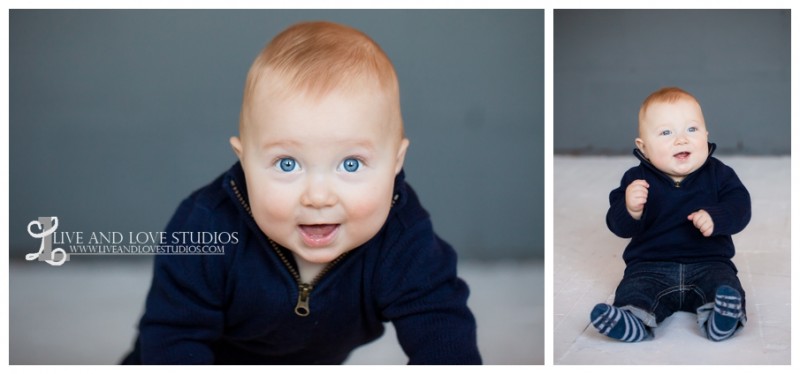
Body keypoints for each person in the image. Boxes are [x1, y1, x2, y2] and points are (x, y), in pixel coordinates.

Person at [122, 21, 481, 364]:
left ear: (396, 163)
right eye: (287, 164)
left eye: (351, 164)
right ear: (245, 161)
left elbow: (441, 324)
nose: (318, 196)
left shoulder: (401, 239)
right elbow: (174, 335)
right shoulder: (204, 226)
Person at [591, 87, 751, 342]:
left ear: (706, 134)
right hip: (649, 266)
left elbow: (741, 207)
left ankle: (720, 320)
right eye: (666, 132)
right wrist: (630, 209)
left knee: (724, 285)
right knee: (634, 290)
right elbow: (618, 226)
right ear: (644, 148)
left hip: (709, 262)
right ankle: (633, 321)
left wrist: (717, 217)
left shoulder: (720, 174)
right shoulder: (635, 180)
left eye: (692, 129)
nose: (681, 139)